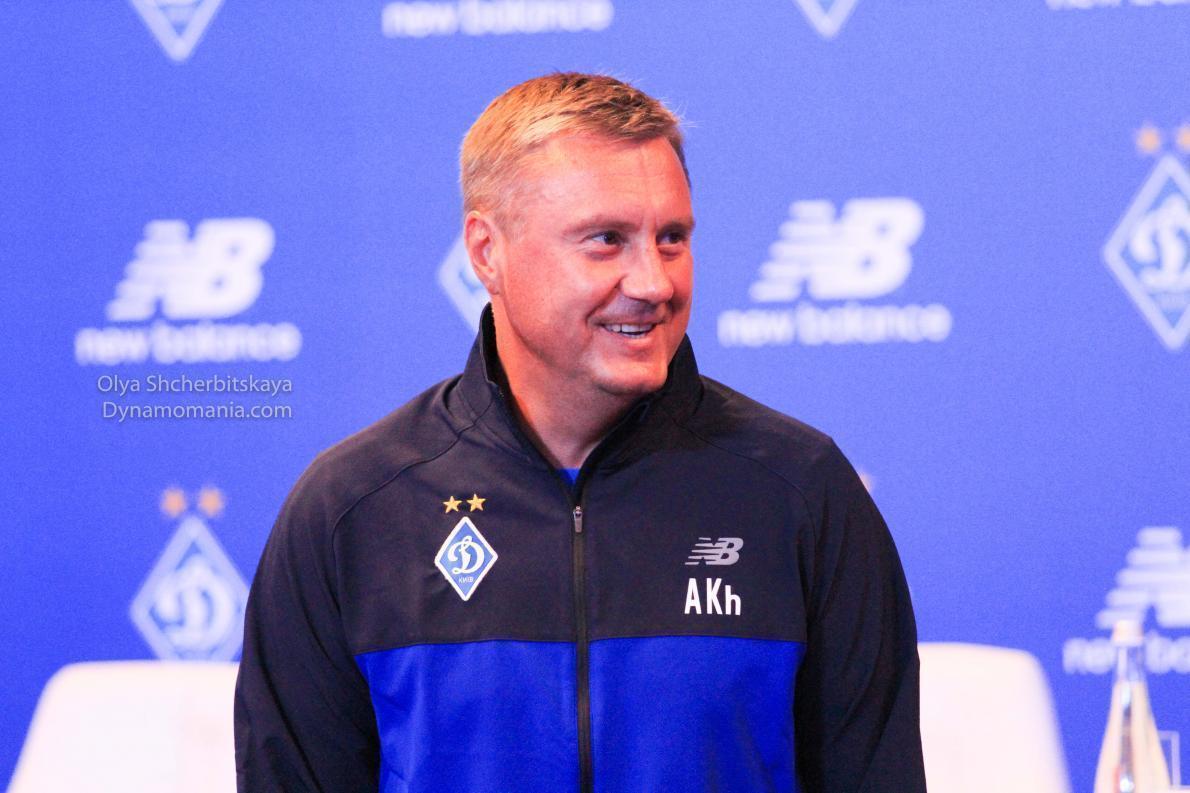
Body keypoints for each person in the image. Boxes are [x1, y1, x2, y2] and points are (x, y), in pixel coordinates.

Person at [234, 72, 925, 792]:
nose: (654, 283)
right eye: (606, 240)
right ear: (486, 251)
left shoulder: (801, 491)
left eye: (672, 238)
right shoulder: (352, 510)